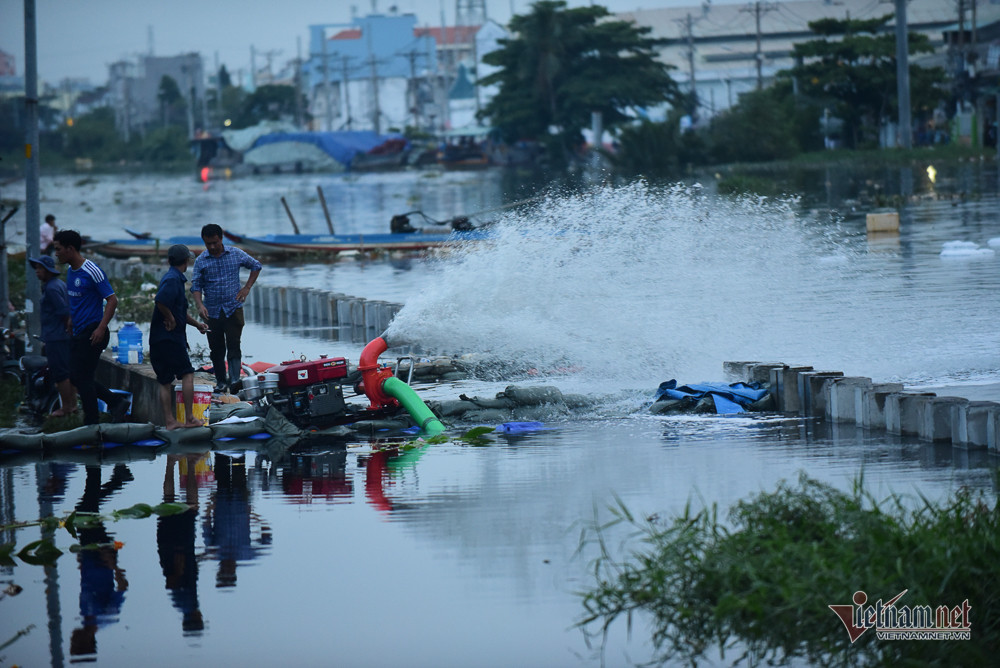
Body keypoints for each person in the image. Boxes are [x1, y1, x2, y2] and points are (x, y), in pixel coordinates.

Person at [52, 229, 128, 425]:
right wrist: (70, 319)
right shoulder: (70, 272)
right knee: (77, 377)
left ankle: (92, 422)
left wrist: (101, 328)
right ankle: (115, 402)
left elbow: (112, 300)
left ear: (70, 249)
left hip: (94, 331)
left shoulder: (91, 270)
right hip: (79, 331)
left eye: (58, 249)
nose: (56, 253)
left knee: (80, 377)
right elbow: (75, 301)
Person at [191, 223, 261, 393]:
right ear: (204, 242)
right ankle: (221, 381)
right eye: (209, 244)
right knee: (216, 348)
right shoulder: (201, 260)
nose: (213, 247)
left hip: (233, 308)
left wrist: (247, 288)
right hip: (211, 311)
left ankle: (235, 380)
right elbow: (196, 286)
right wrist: (200, 305)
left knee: (234, 344)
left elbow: (256, 266)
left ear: (221, 239)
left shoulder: (235, 253)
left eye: (215, 242)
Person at [151, 244, 210, 429]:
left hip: (158, 339)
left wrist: (197, 325)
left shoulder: (172, 277)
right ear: (186, 261)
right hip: (170, 339)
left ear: (169, 261)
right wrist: (169, 318)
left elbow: (180, 312)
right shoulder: (173, 280)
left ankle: (170, 421)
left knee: (165, 380)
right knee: (187, 373)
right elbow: (160, 300)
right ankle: (191, 418)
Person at [29, 254, 77, 416]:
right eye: (36, 268)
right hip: (62, 336)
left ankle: (66, 408)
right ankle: (73, 406)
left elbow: (63, 311)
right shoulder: (59, 284)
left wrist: (65, 328)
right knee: (69, 372)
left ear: (48, 270)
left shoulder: (51, 288)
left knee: (60, 374)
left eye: (40, 268)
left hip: (56, 337)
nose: (37, 271)